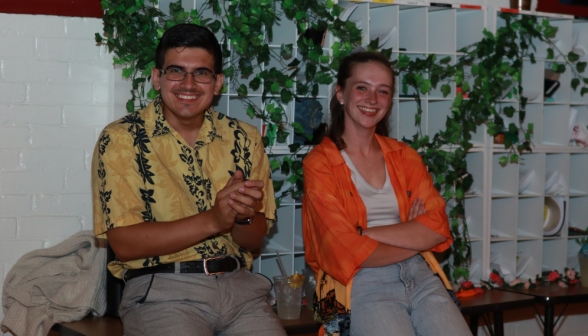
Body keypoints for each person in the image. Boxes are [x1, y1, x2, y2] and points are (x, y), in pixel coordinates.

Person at [91, 23, 286, 336]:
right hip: (162, 291)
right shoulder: (122, 138)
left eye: (202, 73)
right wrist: (214, 220)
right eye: (176, 71)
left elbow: (253, 239)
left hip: (242, 291)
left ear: (218, 82)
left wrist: (244, 217)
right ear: (157, 77)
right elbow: (124, 244)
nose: (189, 83)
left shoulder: (244, 138)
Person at [302, 51, 472, 336]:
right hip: (361, 283)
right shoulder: (319, 164)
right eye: (362, 88)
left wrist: (364, 233)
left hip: (421, 274)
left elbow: (437, 227)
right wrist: (412, 233)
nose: (372, 99)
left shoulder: (404, 156)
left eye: (382, 91)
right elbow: (342, 251)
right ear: (340, 94)